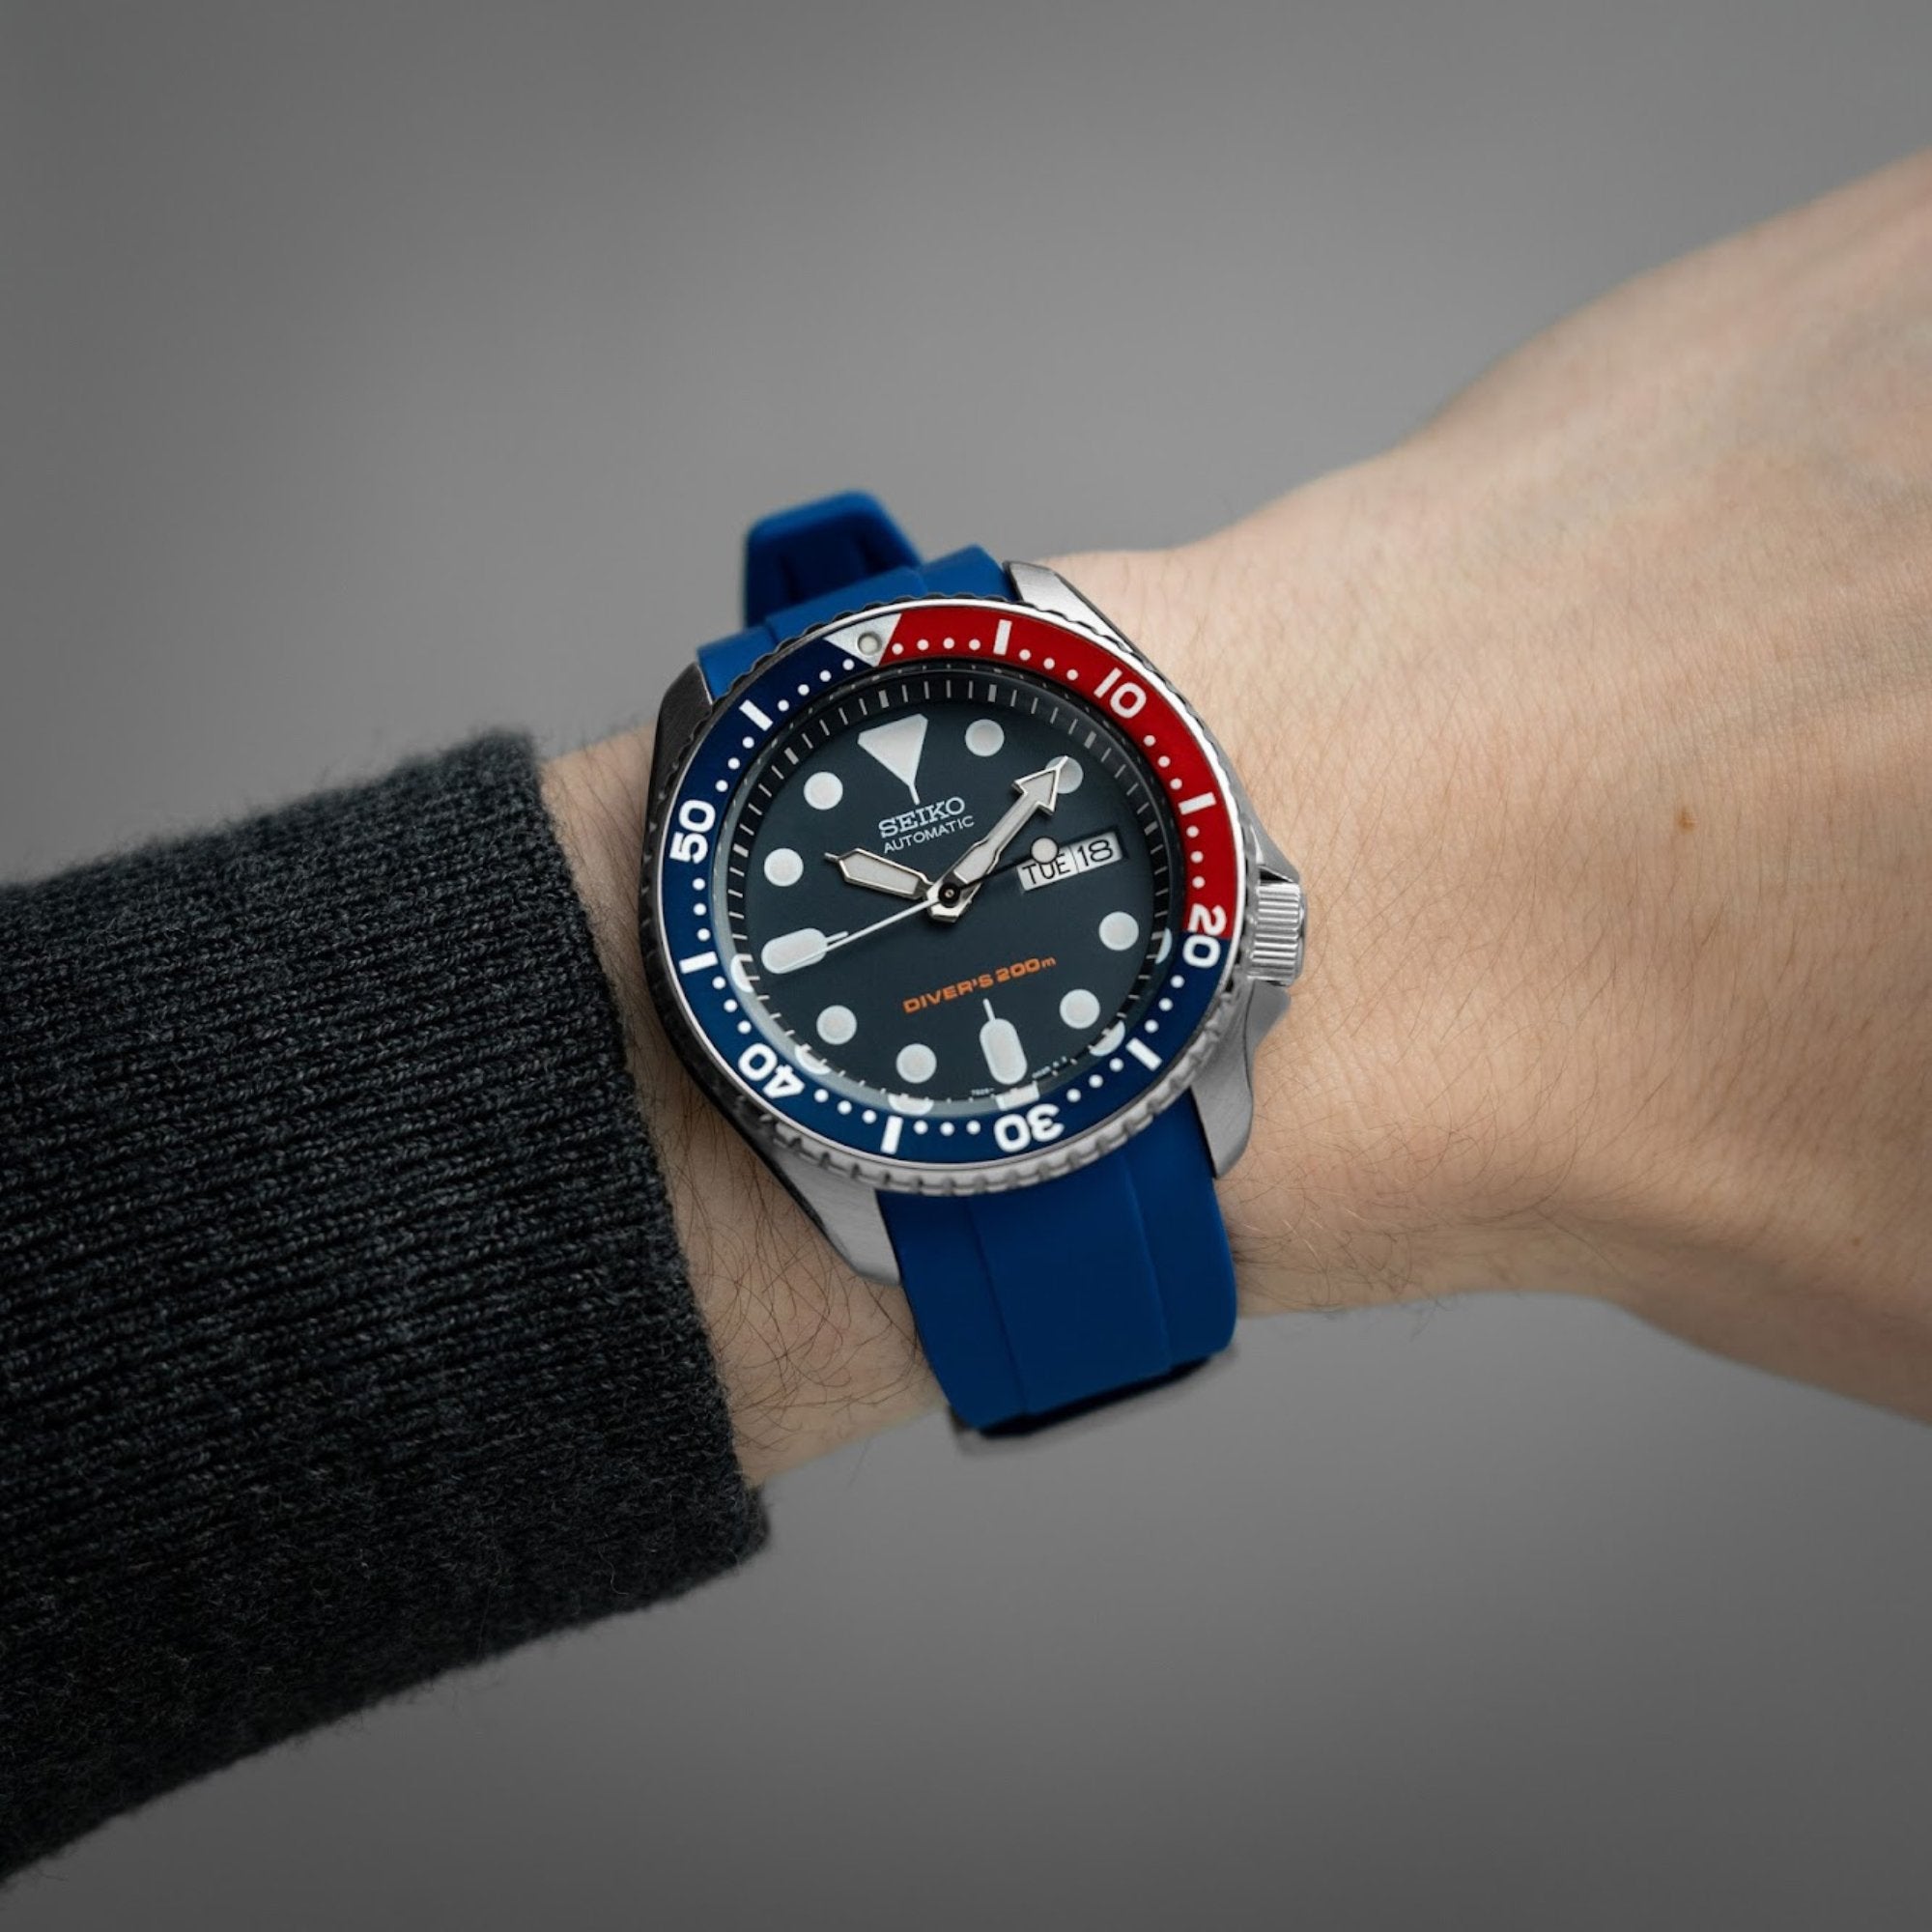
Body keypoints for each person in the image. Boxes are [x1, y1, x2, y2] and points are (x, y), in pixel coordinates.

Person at [4, 151, 1928, 1883]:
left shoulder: (1147, 884)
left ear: (1249, 910)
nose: (947, 905)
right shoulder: (799, 995)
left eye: (980, 872)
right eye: (924, 897)